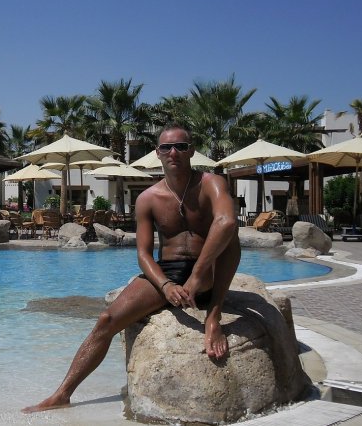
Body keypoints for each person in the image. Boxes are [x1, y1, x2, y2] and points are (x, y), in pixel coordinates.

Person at [23, 123, 241, 413]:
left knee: (230, 232)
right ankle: (63, 394)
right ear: (157, 153)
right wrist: (165, 285)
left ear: (191, 151)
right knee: (106, 320)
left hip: (208, 269)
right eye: (166, 147)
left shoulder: (212, 183)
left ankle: (213, 316)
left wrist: (198, 276)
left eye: (180, 146)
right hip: (169, 270)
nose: (173, 152)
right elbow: (143, 254)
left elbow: (226, 221)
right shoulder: (148, 198)